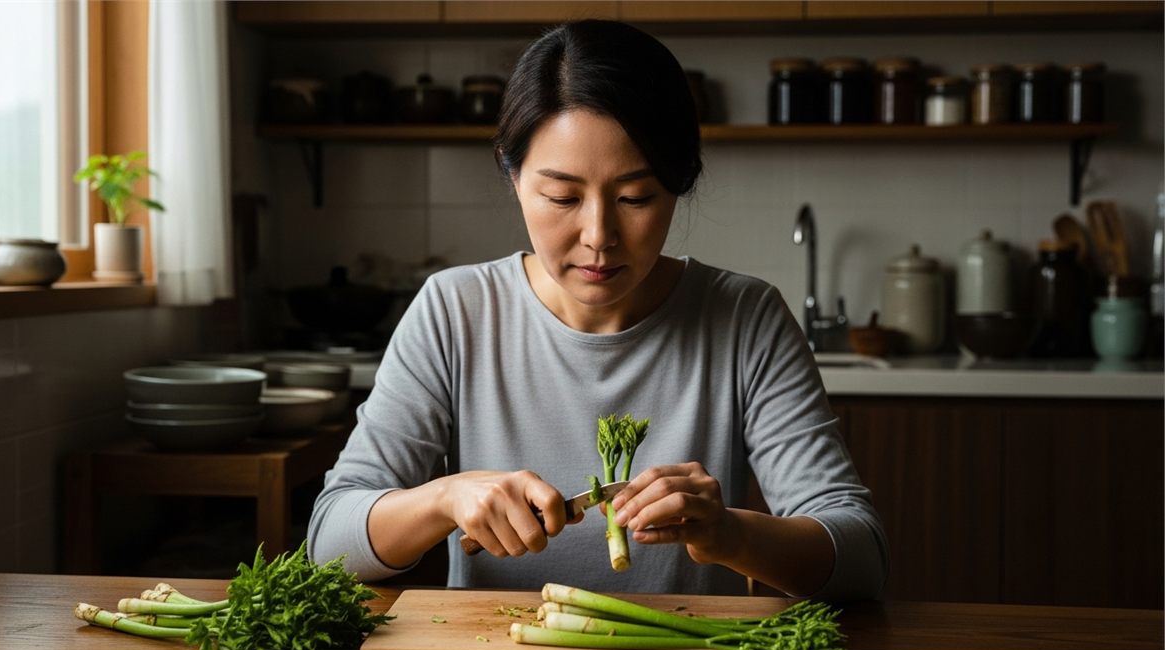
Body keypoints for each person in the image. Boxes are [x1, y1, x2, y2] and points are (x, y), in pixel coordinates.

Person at [308, 19, 888, 600]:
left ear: (679, 183)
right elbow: (329, 539)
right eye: (562, 197)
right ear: (513, 177)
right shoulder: (454, 311)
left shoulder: (744, 317)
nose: (599, 236)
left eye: (635, 198)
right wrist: (443, 497)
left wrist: (731, 534)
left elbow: (862, 557)